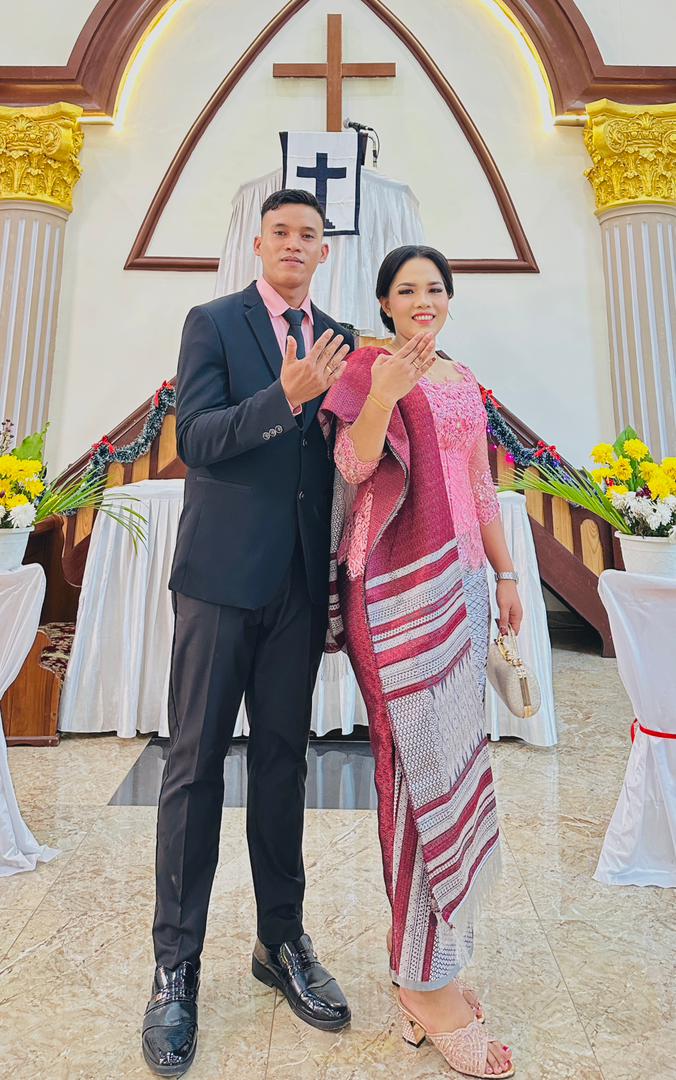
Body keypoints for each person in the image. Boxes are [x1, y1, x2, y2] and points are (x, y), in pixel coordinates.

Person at [142, 189, 354, 1077]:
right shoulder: (214, 322)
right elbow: (196, 437)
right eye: (281, 232)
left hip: (298, 586)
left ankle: (281, 940)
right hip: (221, 582)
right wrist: (282, 396)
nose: (295, 244)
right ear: (259, 243)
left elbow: (344, 459)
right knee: (193, 765)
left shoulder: (339, 337)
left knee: (281, 765)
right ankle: (175, 967)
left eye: (309, 235)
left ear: (323, 252)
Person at [321, 245, 522, 1078]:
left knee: (453, 764)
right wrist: (384, 396)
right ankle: (425, 986)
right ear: (384, 303)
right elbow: (353, 466)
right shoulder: (370, 370)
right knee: (412, 767)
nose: (423, 300)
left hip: (462, 583)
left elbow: (478, 487)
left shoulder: (464, 379)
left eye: (435, 288)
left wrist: (506, 576)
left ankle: (426, 961)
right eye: (406, 290)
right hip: (394, 587)